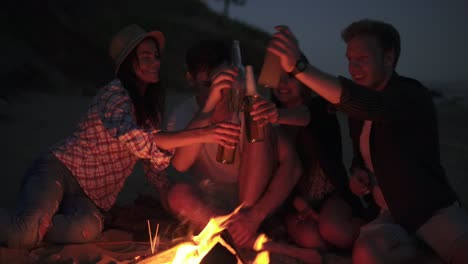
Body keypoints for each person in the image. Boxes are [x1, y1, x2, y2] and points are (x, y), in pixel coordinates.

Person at [0, 24, 240, 249]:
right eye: (145, 56)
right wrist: (204, 133)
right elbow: (133, 137)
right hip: (59, 171)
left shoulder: (148, 112)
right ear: (127, 61)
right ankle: (32, 224)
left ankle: (40, 221)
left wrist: (170, 197)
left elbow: (153, 167)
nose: (154, 61)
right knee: (24, 233)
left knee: (88, 230)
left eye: (156, 56)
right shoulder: (114, 95)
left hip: (90, 198)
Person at [267, 19, 468, 263]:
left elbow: (370, 105)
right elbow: (360, 156)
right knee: (364, 254)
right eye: (350, 60)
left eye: (362, 58)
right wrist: (357, 173)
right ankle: (422, 250)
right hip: (389, 216)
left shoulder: (411, 94)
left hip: (432, 210)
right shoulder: (357, 115)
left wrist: (300, 67)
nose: (354, 67)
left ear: (388, 58)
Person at [165, 39, 302, 248]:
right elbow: (180, 164)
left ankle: (244, 228)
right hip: (212, 203)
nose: (217, 91)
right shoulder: (185, 113)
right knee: (177, 196)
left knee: (256, 121)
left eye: (221, 82)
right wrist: (210, 107)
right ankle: (246, 236)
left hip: (251, 202)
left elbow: (292, 164)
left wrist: (256, 214)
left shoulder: (246, 106)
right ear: (190, 79)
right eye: (207, 85)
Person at [250, 71, 367, 251]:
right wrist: (299, 204)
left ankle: (373, 231)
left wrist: (276, 115)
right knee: (312, 239)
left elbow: (306, 116)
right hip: (294, 201)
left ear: (304, 81)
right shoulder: (270, 127)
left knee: (336, 231)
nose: (282, 83)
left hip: (331, 194)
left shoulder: (320, 107)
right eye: (277, 78)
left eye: (290, 77)